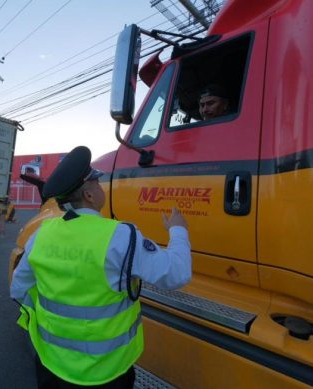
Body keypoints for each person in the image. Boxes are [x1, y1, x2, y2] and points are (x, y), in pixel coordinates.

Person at [10, 146, 192, 388]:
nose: (101, 187)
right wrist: (178, 230)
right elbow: (177, 274)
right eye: (97, 183)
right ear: (89, 195)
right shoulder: (120, 236)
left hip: (51, 366)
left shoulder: (41, 235)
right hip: (107, 373)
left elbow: (19, 290)